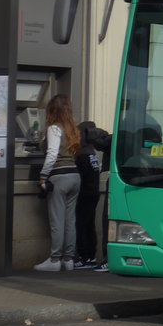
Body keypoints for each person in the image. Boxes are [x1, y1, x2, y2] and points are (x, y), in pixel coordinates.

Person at [34, 94, 83, 271]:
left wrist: (43, 176)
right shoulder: (73, 129)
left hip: (59, 177)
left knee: (57, 221)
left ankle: (54, 260)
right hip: (75, 176)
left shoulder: (54, 128)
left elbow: (52, 154)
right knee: (70, 220)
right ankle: (68, 260)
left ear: (52, 111)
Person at [73, 120, 111, 269]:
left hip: (84, 193)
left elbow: (80, 176)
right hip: (93, 192)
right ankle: (91, 256)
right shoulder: (92, 154)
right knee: (90, 225)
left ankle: (84, 256)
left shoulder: (81, 155)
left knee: (81, 225)